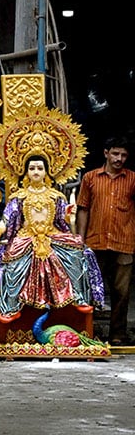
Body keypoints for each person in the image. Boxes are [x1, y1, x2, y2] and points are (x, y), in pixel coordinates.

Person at [0, 154, 103, 322]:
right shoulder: (19, 197)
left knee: (77, 255)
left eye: (40, 168)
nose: (36, 172)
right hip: (26, 238)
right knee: (12, 267)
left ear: (47, 172)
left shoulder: (56, 197)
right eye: (32, 168)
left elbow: (64, 222)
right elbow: (5, 220)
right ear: (26, 173)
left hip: (52, 235)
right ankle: (9, 307)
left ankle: (79, 298)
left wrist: (71, 217)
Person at [76, 136, 135, 345]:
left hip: (124, 242)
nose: (119, 159)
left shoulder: (132, 179)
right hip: (95, 242)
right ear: (106, 153)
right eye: (116, 154)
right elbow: (83, 208)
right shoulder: (90, 178)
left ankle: (117, 335)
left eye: (124, 155)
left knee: (121, 291)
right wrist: (80, 240)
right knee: (92, 288)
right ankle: (89, 332)